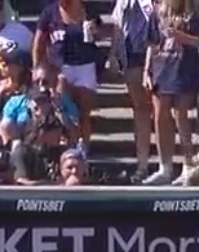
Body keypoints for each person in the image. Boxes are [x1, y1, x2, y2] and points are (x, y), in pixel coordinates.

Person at [142, 0, 199, 185]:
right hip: (161, 67)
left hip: (184, 67)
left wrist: (182, 37)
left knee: (181, 114)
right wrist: (147, 71)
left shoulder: (193, 12)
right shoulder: (158, 12)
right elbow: (152, 44)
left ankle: (188, 164)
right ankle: (165, 167)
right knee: (160, 116)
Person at [35, 0, 106, 143]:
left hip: (85, 65)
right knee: (63, 110)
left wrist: (96, 32)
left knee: (84, 113)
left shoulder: (88, 10)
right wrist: (36, 66)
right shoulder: (49, 13)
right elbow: (39, 42)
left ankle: (83, 149)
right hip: (59, 67)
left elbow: (101, 34)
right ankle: (66, 147)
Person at [110, 0, 156, 181]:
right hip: (132, 57)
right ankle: (142, 164)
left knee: (163, 112)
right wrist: (112, 53)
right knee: (141, 109)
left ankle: (165, 165)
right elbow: (117, 26)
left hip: (162, 58)